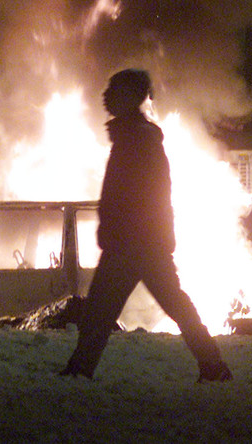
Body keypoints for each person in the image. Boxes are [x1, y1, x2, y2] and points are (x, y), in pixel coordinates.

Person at [60, 69, 232, 382]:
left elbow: (145, 192)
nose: (106, 97)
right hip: (141, 242)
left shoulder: (136, 139)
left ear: (130, 97)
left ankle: (80, 369)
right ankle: (212, 365)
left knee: (101, 309)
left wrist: (124, 232)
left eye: (114, 91)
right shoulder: (134, 136)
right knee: (170, 304)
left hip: (131, 243)